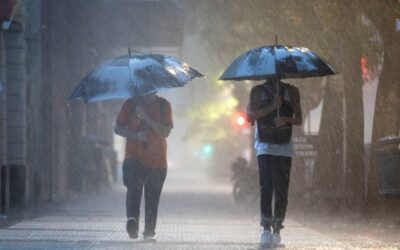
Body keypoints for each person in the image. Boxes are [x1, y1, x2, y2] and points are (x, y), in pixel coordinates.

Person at [247, 77, 302, 247]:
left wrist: (285, 119)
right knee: (266, 186)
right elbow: (250, 116)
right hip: (264, 146)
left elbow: (299, 119)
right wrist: (272, 106)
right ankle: (265, 228)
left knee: (282, 188)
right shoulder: (257, 91)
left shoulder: (291, 91)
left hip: (284, 147)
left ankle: (277, 228)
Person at [114, 92, 173, 240]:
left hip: (157, 160)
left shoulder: (164, 105)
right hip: (134, 157)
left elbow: (165, 132)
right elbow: (117, 128)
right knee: (133, 190)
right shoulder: (131, 104)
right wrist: (136, 135)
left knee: (152, 199)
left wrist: (146, 117)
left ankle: (149, 232)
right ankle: (132, 221)